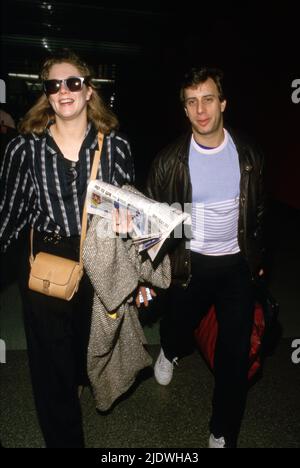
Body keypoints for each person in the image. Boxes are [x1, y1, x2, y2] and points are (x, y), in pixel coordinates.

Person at [0, 49, 135, 448]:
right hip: (46, 262)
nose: (64, 91)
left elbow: (129, 206)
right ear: (47, 94)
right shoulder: (25, 149)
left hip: (97, 260)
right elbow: (10, 211)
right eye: (53, 85)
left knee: (82, 348)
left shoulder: (116, 148)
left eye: (72, 82)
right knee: (49, 363)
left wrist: (131, 233)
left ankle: (76, 378)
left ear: (89, 90)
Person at [142, 67, 265, 448]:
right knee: (179, 327)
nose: (201, 109)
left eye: (208, 99)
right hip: (189, 263)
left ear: (223, 103)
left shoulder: (248, 155)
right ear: (185, 110)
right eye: (192, 102)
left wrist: (258, 257)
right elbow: (155, 222)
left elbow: (257, 213)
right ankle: (170, 350)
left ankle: (222, 430)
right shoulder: (170, 161)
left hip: (235, 267)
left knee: (234, 352)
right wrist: (148, 274)